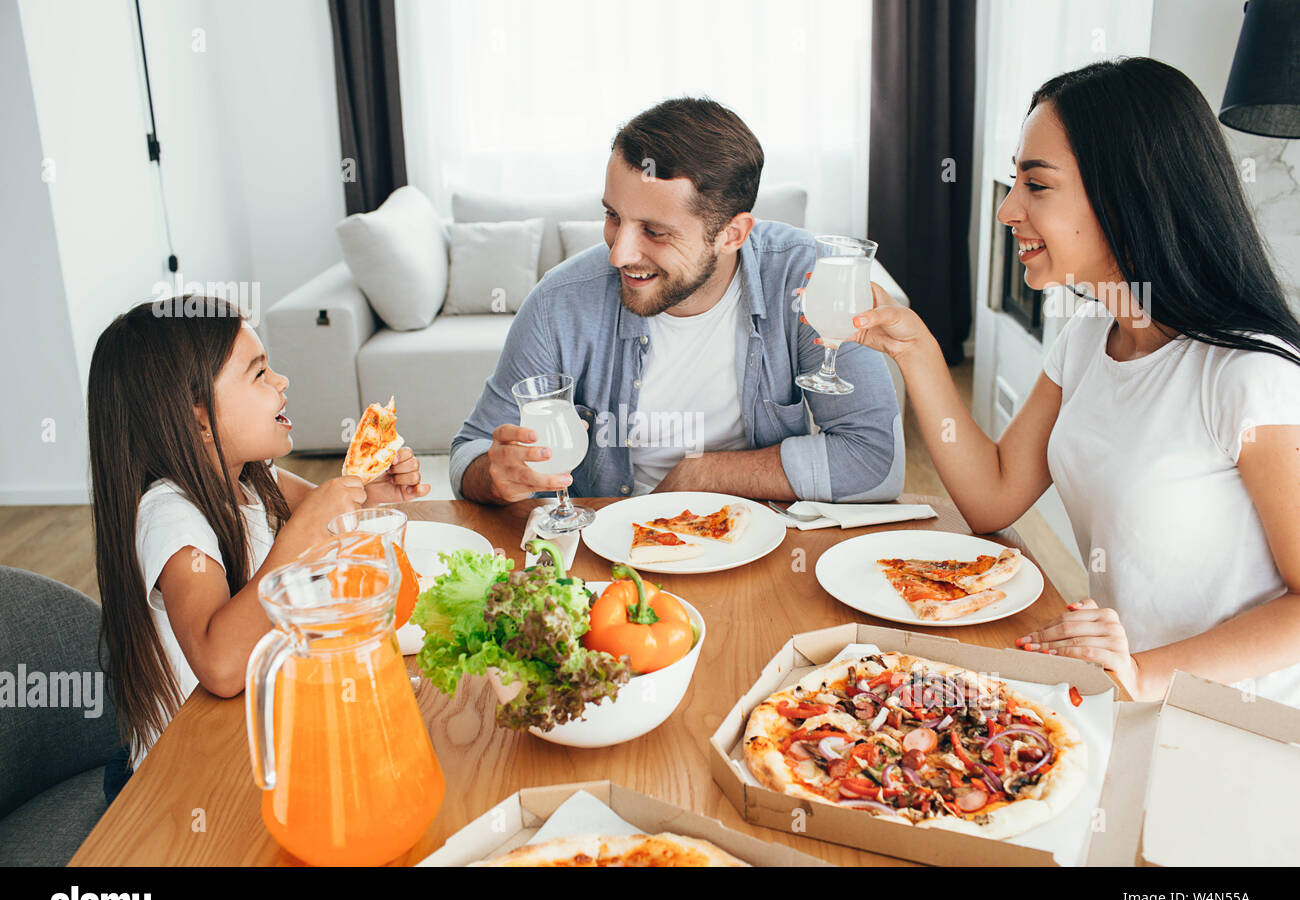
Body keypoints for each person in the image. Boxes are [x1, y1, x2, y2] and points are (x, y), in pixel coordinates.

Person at [844, 58, 1300, 704]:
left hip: (1230, 731)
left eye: (1037, 186)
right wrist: (916, 348)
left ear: (1124, 194)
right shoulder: (1090, 337)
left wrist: (1145, 672)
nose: (1007, 209)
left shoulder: (1248, 374)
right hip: (1120, 696)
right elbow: (993, 494)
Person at [452, 97, 904, 505]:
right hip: (613, 551)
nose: (619, 254)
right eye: (613, 216)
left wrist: (706, 474)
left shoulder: (807, 280)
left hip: (762, 543)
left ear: (732, 234)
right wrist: (493, 477)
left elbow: (875, 461)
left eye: (655, 231)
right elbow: (468, 454)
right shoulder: (559, 301)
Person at [88, 297, 430, 797]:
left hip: (253, 728)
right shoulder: (170, 516)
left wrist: (372, 494)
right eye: (259, 373)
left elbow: (333, 523)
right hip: (179, 776)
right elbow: (221, 666)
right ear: (198, 419)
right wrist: (303, 532)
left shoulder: (251, 478)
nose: (281, 382)